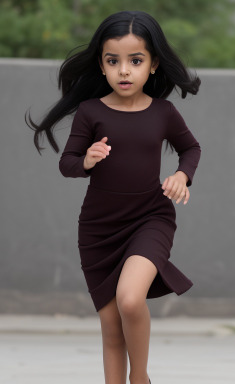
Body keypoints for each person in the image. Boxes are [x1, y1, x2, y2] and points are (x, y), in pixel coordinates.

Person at [25, 10, 201, 384]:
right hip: (99, 228)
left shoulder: (164, 113)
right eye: (113, 61)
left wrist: (182, 176)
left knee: (131, 300)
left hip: (150, 218)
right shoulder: (90, 112)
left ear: (153, 65)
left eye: (135, 61)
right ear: (102, 65)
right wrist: (86, 160)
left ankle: (141, 378)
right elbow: (67, 163)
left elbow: (191, 149)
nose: (124, 70)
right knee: (110, 325)